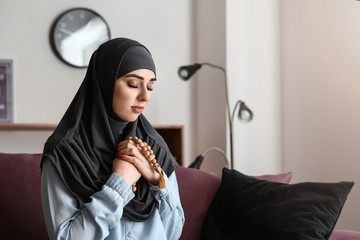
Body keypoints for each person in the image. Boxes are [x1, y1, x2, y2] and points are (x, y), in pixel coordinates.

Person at [41, 37, 185, 239]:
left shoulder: (154, 147)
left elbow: (172, 233)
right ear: (105, 82)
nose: (145, 96)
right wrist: (120, 185)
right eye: (134, 84)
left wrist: (156, 182)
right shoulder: (65, 153)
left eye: (150, 86)